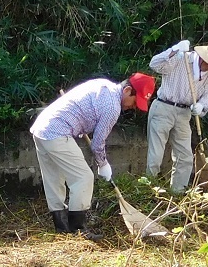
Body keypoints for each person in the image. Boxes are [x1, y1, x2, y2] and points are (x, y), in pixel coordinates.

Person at [30, 73, 156, 236]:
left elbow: (82, 107)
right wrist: (103, 164)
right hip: (58, 132)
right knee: (83, 178)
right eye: (135, 102)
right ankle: (78, 229)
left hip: (42, 127)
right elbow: (97, 144)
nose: (133, 107)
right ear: (127, 90)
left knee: (54, 178)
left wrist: (82, 126)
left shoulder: (103, 85)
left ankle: (61, 227)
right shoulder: (112, 107)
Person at [146, 37, 208, 191]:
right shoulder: (181, 58)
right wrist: (174, 49)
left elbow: (206, 98)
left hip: (184, 113)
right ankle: (149, 190)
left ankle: (178, 193)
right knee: (156, 155)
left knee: (185, 156)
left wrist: (201, 106)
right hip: (163, 108)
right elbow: (154, 64)